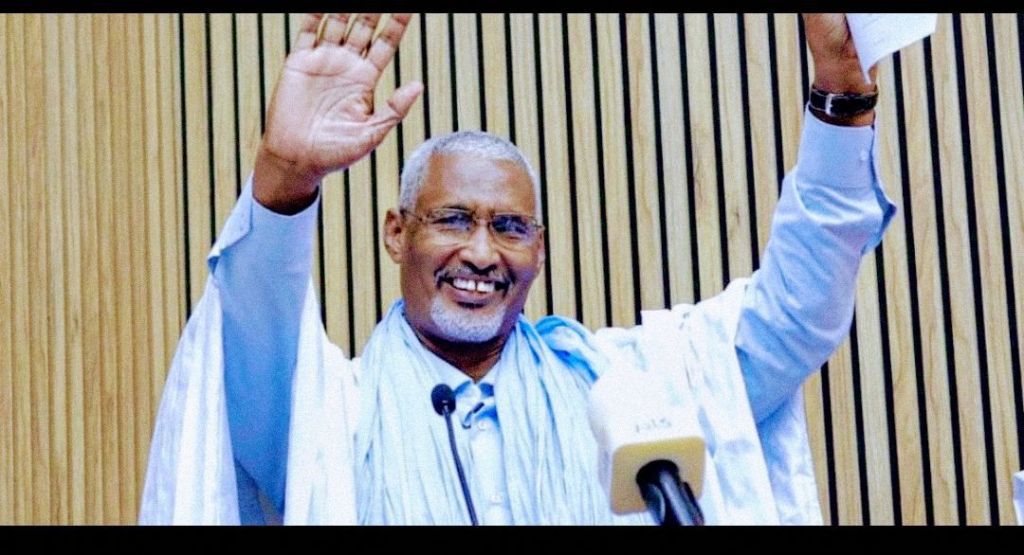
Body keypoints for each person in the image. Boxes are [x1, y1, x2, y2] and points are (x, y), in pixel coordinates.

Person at [139, 13, 895, 525]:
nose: (481, 252)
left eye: (509, 228)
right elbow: (251, 333)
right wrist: (285, 176)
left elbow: (797, 314)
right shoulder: (329, 418)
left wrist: (842, 91)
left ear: (539, 250)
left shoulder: (631, 392)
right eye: (452, 219)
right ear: (397, 234)